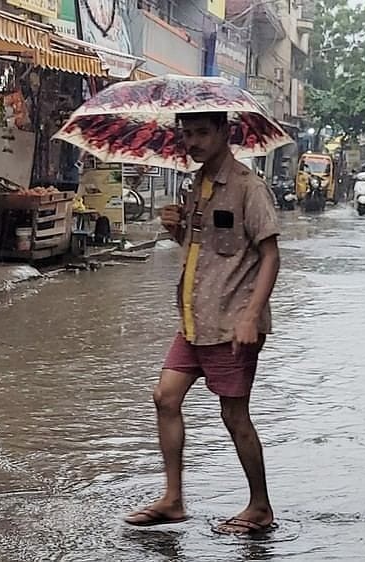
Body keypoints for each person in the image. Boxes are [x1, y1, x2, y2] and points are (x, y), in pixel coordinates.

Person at [124, 112, 281, 535]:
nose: (191, 142)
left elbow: (270, 256)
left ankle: (260, 507)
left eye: (201, 133)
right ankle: (173, 500)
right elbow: (204, 250)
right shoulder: (196, 187)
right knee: (165, 396)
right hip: (195, 320)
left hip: (232, 322)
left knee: (234, 415)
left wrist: (251, 317)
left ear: (223, 134)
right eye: (186, 134)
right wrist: (177, 230)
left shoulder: (249, 187)